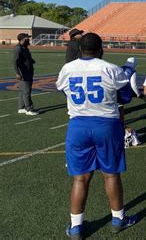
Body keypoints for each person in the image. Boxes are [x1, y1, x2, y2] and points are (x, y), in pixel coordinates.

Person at [56, 33, 137, 238]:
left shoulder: (67, 68)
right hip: (106, 124)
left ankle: (76, 227)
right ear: (101, 49)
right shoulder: (109, 68)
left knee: (80, 179)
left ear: (79, 49)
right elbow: (126, 97)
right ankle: (118, 219)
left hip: (78, 125)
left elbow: (64, 91)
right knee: (110, 174)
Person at [13, 33, 38, 116]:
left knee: (22, 91)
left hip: (28, 72)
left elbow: (26, 58)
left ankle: (21, 108)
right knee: (27, 91)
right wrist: (17, 73)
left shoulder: (25, 48)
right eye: (27, 38)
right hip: (23, 73)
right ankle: (29, 109)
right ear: (22, 39)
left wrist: (31, 61)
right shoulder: (18, 49)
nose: (28, 40)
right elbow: (15, 62)